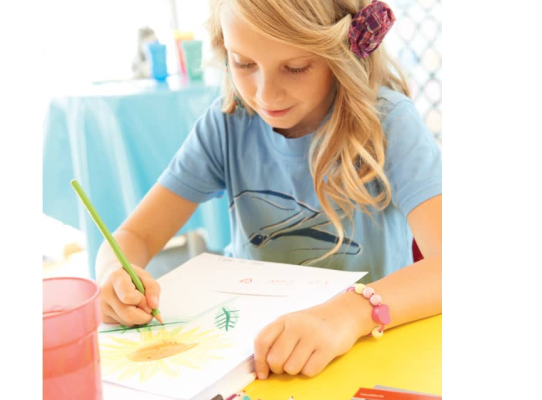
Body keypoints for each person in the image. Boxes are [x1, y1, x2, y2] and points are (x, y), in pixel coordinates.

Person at [95, 0, 442, 380]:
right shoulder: (226, 124)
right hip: (252, 359)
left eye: (296, 67)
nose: (266, 95)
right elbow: (135, 235)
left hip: (365, 351)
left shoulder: (388, 123)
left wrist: (348, 314)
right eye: (243, 63)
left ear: (342, 53)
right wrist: (114, 274)